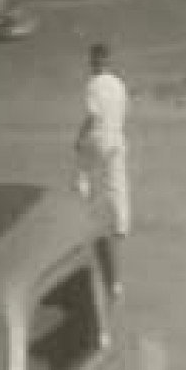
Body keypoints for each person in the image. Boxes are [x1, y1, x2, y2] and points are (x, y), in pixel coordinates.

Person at [73, 43, 131, 242]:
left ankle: (83, 216)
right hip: (117, 138)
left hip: (98, 138)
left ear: (94, 61)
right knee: (117, 183)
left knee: (83, 171)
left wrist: (79, 136)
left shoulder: (94, 84)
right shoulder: (119, 84)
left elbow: (92, 115)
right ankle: (121, 226)